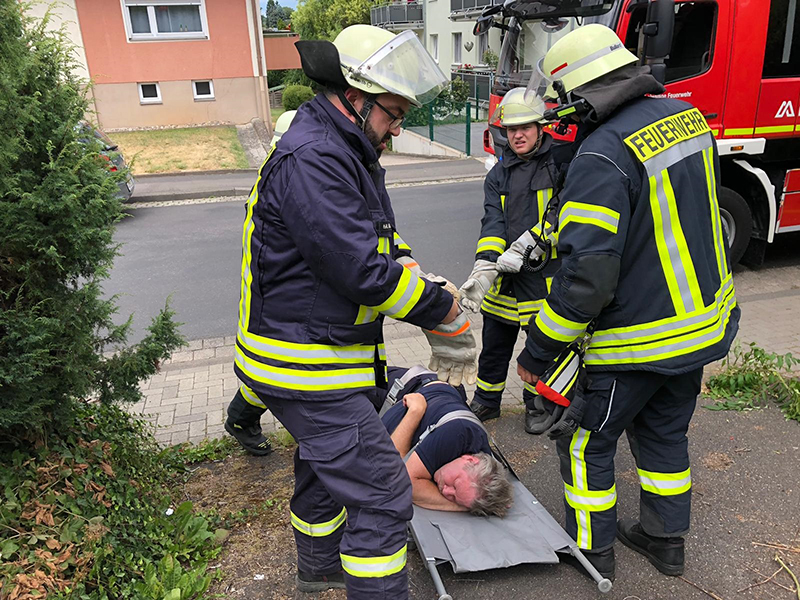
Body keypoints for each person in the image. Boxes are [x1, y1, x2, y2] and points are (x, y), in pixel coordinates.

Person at [232, 24, 477, 599]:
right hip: (307, 368)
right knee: (384, 494)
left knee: (324, 470)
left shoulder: (344, 149)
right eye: (394, 114)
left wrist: (414, 268)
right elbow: (361, 271)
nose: (398, 128)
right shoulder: (318, 156)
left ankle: (319, 568)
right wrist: (442, 309)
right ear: (354, 96)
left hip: (317, 359)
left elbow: (375, 238)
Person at [513, 25, 739, 581]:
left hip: (636, 340)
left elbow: (586, 280)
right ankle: (666, 542)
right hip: (700, 326)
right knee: (664, 432)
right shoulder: (688, 118)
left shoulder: (603, 153)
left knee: (584, 441)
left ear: (578, 91)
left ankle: (594, 551)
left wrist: (538, 350)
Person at [458, 88, 564, 433]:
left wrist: (535, 243)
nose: (517, 135)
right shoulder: (498, 174)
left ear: (540, 128)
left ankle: (537, 404)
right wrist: (484, 266)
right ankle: (487, 401)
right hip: (504, 280)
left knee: (540, 347)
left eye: (525, 127)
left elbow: (567, 215)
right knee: (494, 346)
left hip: (541, 278)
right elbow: (493, 223)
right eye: (512, 129)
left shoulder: (561, 165)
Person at [224, 111, 298, 456]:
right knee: (276, 367)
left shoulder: (281, 172)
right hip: (276, 295)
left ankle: (243, 417)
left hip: (279, 291)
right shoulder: (283, 180)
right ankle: (240, 420)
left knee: (280, 367)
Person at [381, 367, 513, 517]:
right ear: (470, 459)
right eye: (454, 485)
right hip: (394, 388)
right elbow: (397, 479)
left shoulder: (480, 472)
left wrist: (469, 504)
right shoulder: (455, 434)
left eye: (454, 497)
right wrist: (415, 411)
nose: (445, 491)